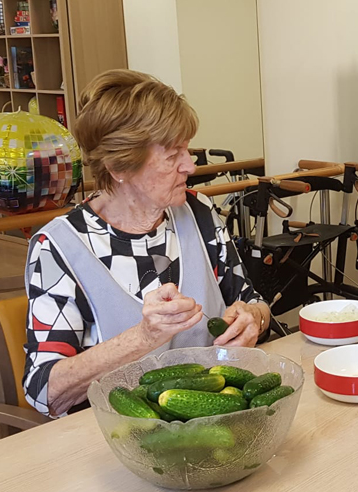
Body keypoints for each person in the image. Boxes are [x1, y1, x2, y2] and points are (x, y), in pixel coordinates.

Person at [23, 70, 271, 416]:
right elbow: (45, 390)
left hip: (214, 422)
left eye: (187, 149)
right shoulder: (58, 248)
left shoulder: (198, 212)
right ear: (118, 166)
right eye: (173, 156)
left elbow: (251, 301)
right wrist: (143, 337)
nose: (190, 166)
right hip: (115, 440)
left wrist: (254, 319)